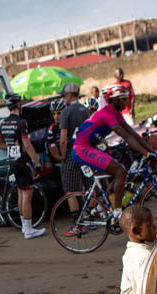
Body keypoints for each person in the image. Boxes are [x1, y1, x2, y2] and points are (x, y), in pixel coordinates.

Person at [70, 83, 157, 230]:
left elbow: (133, 134)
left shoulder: (116, 113)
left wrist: (153, 150)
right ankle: (118, 212)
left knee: (120, 173)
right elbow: (127, 138)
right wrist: (146, 153)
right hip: (82, 147)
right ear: (114, 100)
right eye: (123, 99)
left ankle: (101, 208)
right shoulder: (106, 113)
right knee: (120, 171)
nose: (126, 102)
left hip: (92, 146)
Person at [0, 93, 46, 240]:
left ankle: (25, 227)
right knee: (27, 195)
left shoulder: (3, 123)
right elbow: (28, 145)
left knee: (20, 192)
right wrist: (37, 162)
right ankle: (29, 230)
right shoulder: (21, 122)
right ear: (18, 105)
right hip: (23, 162)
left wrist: (11, 147)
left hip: (12, 162)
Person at [59, 83, 90, 222]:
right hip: (87, 152)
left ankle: (77, 222)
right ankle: (90, 215)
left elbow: (63, 139)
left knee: (70, 190)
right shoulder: (85, 109)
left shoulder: (66, 112)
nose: (63, 98)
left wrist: (63, 155)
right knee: (89, 186)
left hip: (72, 152)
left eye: (64, 95)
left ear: (70, 95)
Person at [45, 98, 66, 166]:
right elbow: (55, 154)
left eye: (59, 113)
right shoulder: (51, 130)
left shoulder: (71, 123)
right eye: (54, 113)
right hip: (62, 161)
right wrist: (65, 160)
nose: (56, 116)